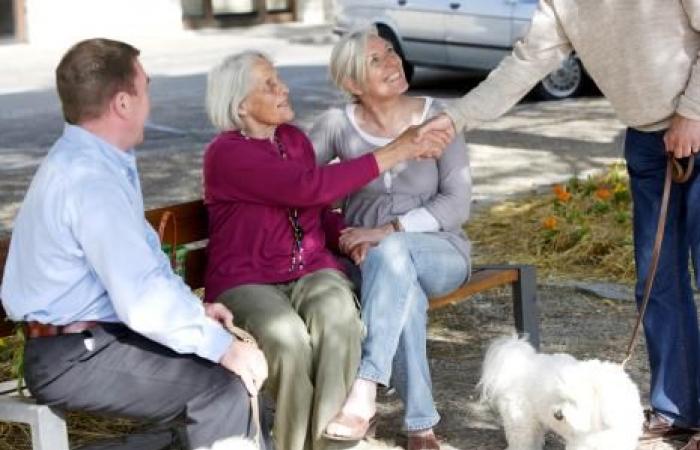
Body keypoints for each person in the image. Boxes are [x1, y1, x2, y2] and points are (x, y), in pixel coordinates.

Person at [418, 1, 700, 448]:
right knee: (656, 281)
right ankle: (680, 409)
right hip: (648, 138)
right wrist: (456, 117)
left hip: (697, 117)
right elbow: (526, 63)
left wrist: (692, 111)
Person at [0, 38, 271, 450]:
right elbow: (141, 300)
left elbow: (143, 274)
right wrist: (223, 348)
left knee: (239, 388)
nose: (150, 102)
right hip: (74, 356)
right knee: (223, 387)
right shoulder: (90, 181)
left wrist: (194, 312)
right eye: (146, 88)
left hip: (91, 341)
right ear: (123, 104)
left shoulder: (94, 162)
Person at [202, 51, 449, 450]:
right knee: (289, 342)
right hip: (247, 281)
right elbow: (309, 187)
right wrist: (398, 149)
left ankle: (333, 443)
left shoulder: (294, 140)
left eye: (278, 79)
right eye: (269, 84)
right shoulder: (227, 154)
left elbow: (314, 208)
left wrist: (349, 238)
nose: (283, 89)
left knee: (340, 320)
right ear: (240, 104)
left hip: (310, 271)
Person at [308, 28, 472, 450]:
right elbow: (303, 188)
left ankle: (366, 384)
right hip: (367, 261)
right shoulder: (335, 126)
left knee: (395, 252)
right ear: (352, 84)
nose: (392, 62)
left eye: (391, 52)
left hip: (441, 252)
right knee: (404, 292)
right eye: (375, 60)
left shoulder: (439, 117)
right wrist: (344, 237)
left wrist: (386, 232)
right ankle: (421, 426)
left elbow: (456, 204)